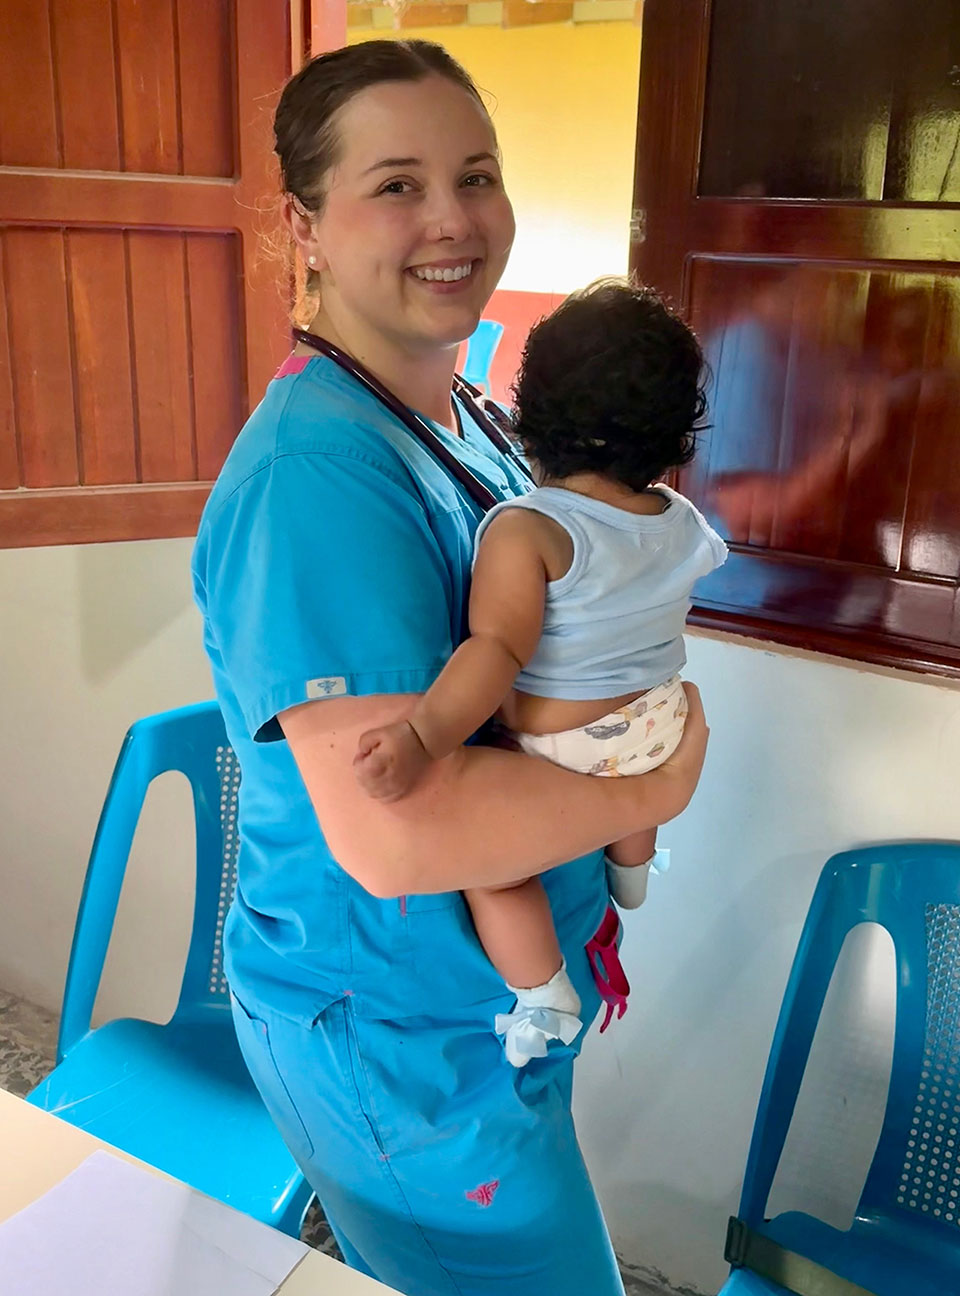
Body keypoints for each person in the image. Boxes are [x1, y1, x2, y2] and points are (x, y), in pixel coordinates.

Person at [191, 39, 709, 1296]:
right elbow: (399, 834)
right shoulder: (316, 480)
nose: (453, 219)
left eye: (476, 175)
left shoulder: (469, 412)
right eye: (397, 185)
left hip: (486, 1009)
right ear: (302, 224)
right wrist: (649, 791)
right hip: (403, 1046)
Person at [355, 279, 726, 1067]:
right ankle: (633, 871)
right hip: (660, 723)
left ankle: (542, 993)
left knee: (489, 872)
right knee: (635, 766)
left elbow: (495, 653)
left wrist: (420, 739)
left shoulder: (530, 529)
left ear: (531, 412)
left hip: (565, 751)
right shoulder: (680, 519)